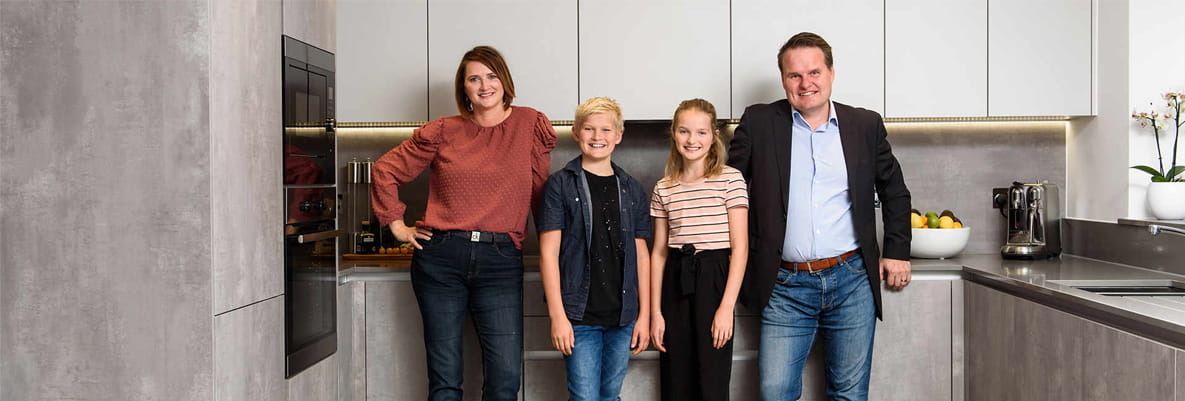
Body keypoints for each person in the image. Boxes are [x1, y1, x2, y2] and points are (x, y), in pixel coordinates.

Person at [726, 32, 912, 401]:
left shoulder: (864, 125)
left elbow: (894, 191)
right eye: (794, 75)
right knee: (775, 392)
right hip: (783, 285)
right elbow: (729, 187)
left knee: (848, 394)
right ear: (783, 80)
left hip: (852, 280)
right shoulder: (759, 123)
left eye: (814, 72)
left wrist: (897, 251)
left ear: (831, 73)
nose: (805, 83)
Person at [370, 45, 557, 401]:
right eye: (474, 78)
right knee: (445, 379)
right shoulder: (444, 130)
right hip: (440, 258)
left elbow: (539, 196)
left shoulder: (529, 124)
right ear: (464, 88)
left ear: (504, 80)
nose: (484, 85)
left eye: (491, 76)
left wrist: (553, 255)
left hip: (500, 260)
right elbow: (385, 170)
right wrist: (398, 225)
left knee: (505, 378)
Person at [537, 97, 652, 401]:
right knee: (585, 398)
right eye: (589, 128)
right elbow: (548, 254)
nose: (597, 137)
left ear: (619, 135)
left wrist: (644, 316)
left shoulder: (632, 188)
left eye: (605, 129)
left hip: (623, 318)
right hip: (579, 317)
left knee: (610, 396)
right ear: (576, 133)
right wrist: (557, 316)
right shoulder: (560, 185)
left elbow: (642, 255)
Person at [650, 99, 749, 401]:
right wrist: (656, 312)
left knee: (712, 380)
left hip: (714, 278)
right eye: (684, 131)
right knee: (676, 379)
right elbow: (658, 254)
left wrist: (726, 309)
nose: (692, 140)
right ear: (673, 133)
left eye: (701, 132)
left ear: (714, 135)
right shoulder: (663, 187)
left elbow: (741, 248)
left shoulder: (730, 179)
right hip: (675, 280)